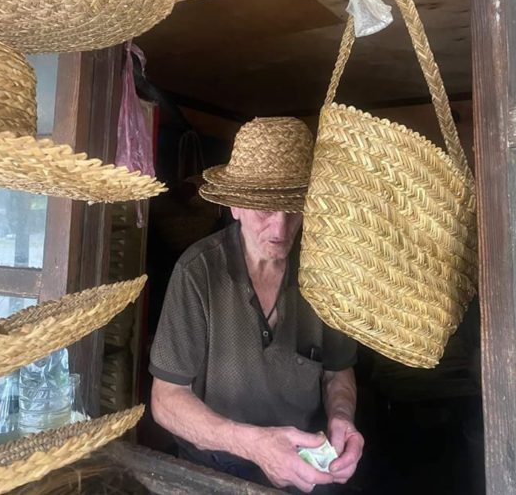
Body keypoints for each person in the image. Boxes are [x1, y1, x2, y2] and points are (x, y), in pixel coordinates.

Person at [149, 117, 363, 493]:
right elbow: (166, 400)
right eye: (265, 209)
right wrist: (253, 445)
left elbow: (337, 373)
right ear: (235, 206)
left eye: (294, 208)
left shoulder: (327, 271)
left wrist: (342, 418)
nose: (280, 229)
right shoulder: (198, 272)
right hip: (213, 470)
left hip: (304, 468)